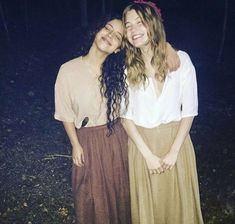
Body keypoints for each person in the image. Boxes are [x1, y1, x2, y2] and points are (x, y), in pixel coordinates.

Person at [54, 14, 179, 223]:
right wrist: (75, 144)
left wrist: (167, 46)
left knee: (121, 192)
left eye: (118, 36)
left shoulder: (122, 70)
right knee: (89, 195)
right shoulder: (68, 70)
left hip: (118, 137)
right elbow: (64, 112)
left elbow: (148, 48)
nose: (110, 35)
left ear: (119, 47)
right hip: (88, 141)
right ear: (97, 31)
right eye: (107, 28)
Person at [121, 2, 204, 224]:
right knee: (151, 208)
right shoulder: (126, 67)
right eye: (128, 25)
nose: (133, 30)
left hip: (176, 141)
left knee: (179, 206)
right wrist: (147, 155)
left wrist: (174, 152)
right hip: (142, 145)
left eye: (140, 22)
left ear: (154, 23)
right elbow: (125, 116)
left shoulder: (181, 59)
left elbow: (190, 109)